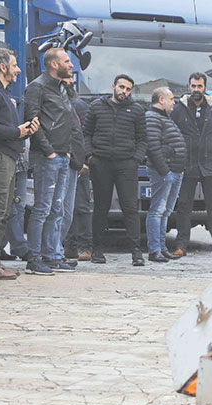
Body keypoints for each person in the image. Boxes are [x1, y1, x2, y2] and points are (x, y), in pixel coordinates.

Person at [0, 48, 38, 281]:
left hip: (8, 158)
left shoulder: (1, 92)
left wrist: (25, 131)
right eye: (14, 66)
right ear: (3, 67)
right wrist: (17, 131)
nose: (18, 70)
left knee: (4, 211)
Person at [24, 48, 87, 275]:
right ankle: (34, 258)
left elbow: (69, 121)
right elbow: (32, 120)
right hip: (48, 156)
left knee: (57, 208)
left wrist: (68, 152)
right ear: (53, 64)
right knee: (42, 208)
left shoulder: (61, 88)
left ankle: (52, 255)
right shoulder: (36, 87)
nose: (71, 65)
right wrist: (49, 151)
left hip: (63, 156)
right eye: (67, 61)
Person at [84, 74, 147, 266]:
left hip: (126, 164)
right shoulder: (96, 106)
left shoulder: (136, 110)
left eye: (128, 89)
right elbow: (86, 132)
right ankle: (97, 250)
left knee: (130, 208)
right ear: (113, 86)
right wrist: (89, 157)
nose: (124, 92)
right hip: (101, 163)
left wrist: (135, 159)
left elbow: (143, 139)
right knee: (100, 208)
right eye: (121, 87)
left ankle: (136, 252)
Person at [170, 72, 212, 258]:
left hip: (210, 165)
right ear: (189, 87)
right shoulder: (179, 110)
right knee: (184, 206)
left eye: (200, 86)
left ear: (205, 88)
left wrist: (210, 148)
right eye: (193, 86)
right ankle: (181, 246)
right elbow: (173, 135)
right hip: (187, 165)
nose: (196, 90)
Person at [145, 87, 186, 262]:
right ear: (161, 100)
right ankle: (154, 250)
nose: (174, 103)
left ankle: (161, 248)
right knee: (157, 211)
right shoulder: (152, 117)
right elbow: (153, 147)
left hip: (175, 171)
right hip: (164, 172)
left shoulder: (163, 118)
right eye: (171, 99)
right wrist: (165, 171)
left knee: (166, 211)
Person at [63, 79, 92, 262]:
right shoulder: (64, 103)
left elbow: (85, 134)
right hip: (65, 160)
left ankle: (84, 246)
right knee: (68, 208)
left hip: (77, 163)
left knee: (80, 207)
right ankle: (71, 246)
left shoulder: (78, 106)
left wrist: (84, 160)